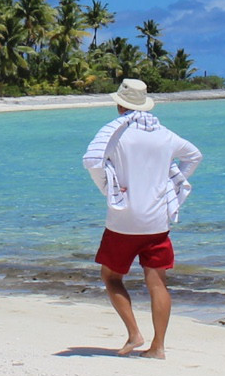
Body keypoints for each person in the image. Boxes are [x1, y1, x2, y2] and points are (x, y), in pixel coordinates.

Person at [82, 78, 202, 359]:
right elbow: (194, 156)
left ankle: (134, 333)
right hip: (157, 221)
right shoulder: (165, 135)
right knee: (157, 282)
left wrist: (108, 187)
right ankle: (158, 347)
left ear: (120, 103)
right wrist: (171, 182)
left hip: (123, 221)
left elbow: (92, 161)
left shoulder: (115, 134)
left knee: (111, 277)